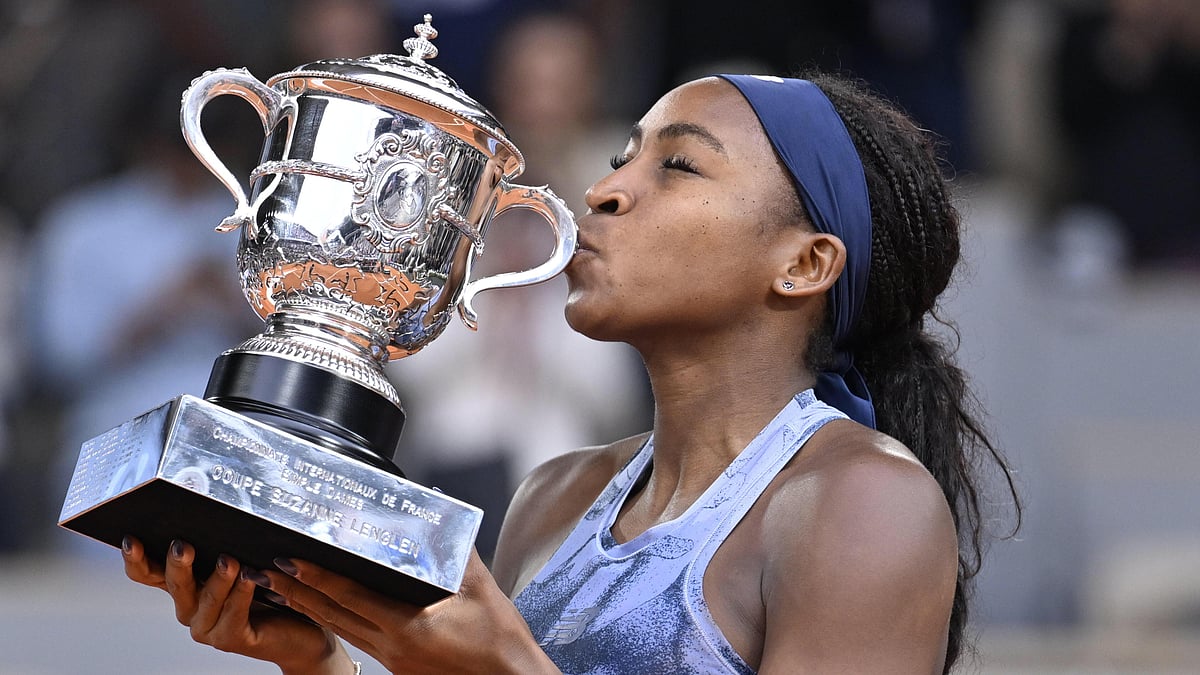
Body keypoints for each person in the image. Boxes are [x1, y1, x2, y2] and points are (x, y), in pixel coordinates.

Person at [121, 70, 1018, 673]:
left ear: (804, 263)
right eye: (623, 155)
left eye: (679, 164)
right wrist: (318, 661)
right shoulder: (556, 494)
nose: (605, 190)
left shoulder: (862, 500)